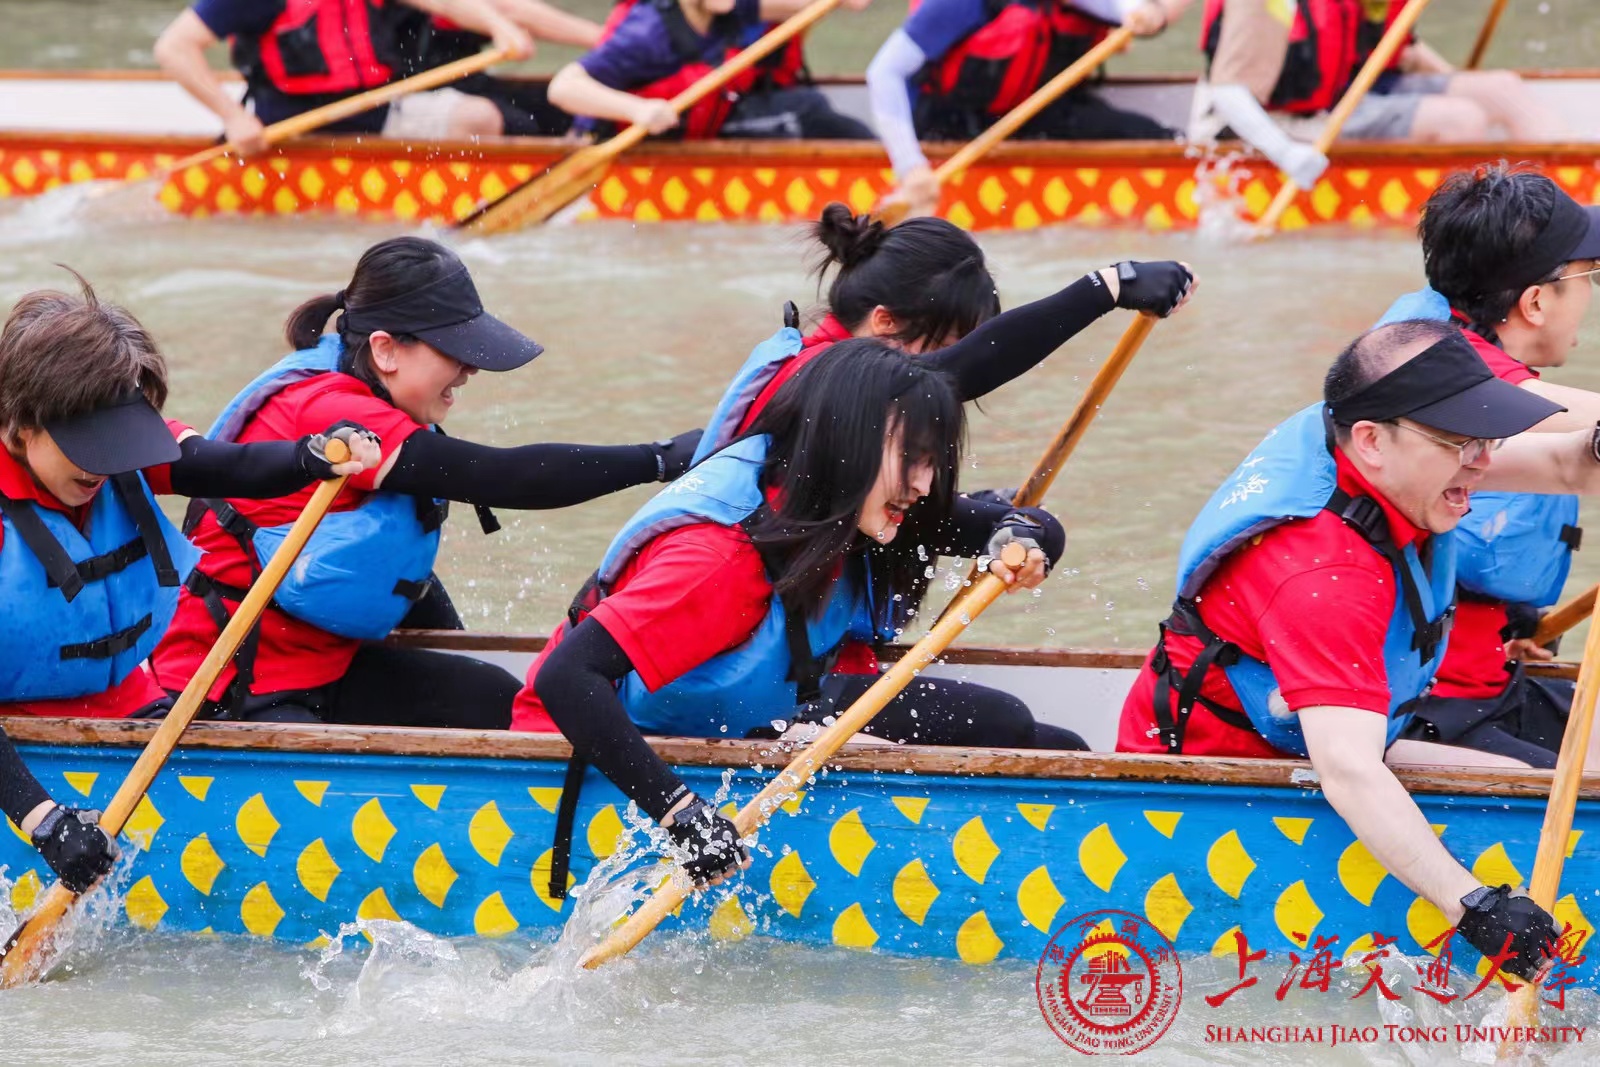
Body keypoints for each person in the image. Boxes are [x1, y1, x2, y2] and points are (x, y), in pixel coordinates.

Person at [1115, 318, 1600, 981]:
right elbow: (1347, 770)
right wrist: (1476, 906)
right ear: (1371, 441)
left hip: (1332, 734)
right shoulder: (1322, 570)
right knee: (1535, 803)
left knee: (1549, 783)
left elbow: (1566, 463)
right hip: (1224, 775)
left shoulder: (1392, 450)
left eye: (1487, 439)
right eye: (1465, 442)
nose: (1484, 462)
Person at [518, 343, 1085, 886]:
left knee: (1052, 742)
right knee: (1009, 723)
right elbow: (566, 677)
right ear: (846, 443)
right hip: (594, 749)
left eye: (933, 463)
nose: (923, 485)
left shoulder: (854, 500)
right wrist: (681, 814)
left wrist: (1020, 538)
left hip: (750, 714)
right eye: (912, 459)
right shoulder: (718, 562)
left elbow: (1035, 525)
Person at [149, 237, 702, 729]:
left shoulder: (363, 382)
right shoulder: (332, 412)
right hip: (229, 687)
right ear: (385, 349)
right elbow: (503, 476)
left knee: (499, 698)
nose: (470, 369)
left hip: (328, 664)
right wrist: (660, 459)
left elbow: (391, 561)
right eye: (454, 351)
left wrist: (456, 645)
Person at [0, 273, 377, 889]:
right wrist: (42, 820)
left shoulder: (119, 450)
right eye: (87, 448)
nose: (104, 468)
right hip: (17, 745)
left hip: (131, 706)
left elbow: (222, 464)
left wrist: (310, 456)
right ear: (20, 426)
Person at [1368, 166, 1600, 766]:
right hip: (1418, 712)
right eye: (1590, 277)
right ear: (1536, 302)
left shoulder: (1439, 338)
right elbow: (1566, 426)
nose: (1593, 296)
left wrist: (1514, 622)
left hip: (1488, 678)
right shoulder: (1443, 385)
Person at [695, 203, 1196, 462]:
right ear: (884, 322)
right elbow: (962, 370)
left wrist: (995, 521)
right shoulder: (823, 375)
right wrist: (1107, 287)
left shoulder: (808, 373)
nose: (944, 372)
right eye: (946, 344)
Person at [1192, 0, 1568, 194]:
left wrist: (1458, 80)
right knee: (1460, 119)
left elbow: (1395, 47)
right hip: (1281, 121)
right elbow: (1228, 91)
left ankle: (1571, 198)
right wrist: (1286, 154)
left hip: (1348, 91)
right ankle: (1462, 231)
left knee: (1502, 89)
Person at [866, 0, 1188, 217]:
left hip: (1032, 115)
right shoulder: (956, 4)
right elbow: (884, 73)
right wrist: (911, 168)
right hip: (950, 127)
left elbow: (1121, 6)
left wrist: (1145, 12)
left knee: (1155, 137)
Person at [153, 0, 536, 156]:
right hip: (291, 125)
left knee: (482, 116)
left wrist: (497, 26)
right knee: (479, 117)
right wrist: (233, 117)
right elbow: (174, 48)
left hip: (371, 109)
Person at [545, 0, 874, 141]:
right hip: (634, 140)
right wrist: (638, 109)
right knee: (807, 109)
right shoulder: (648, 34)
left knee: (807, 103)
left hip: (710, 119)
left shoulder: (723, 7)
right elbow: (564, 86)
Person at [396, 0, 606, 136]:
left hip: (466, 81)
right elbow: (507, 9)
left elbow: (514, 9)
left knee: (565, 112)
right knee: (522, 126)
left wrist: (609, 42)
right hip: (414, 91)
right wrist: (498, 25)